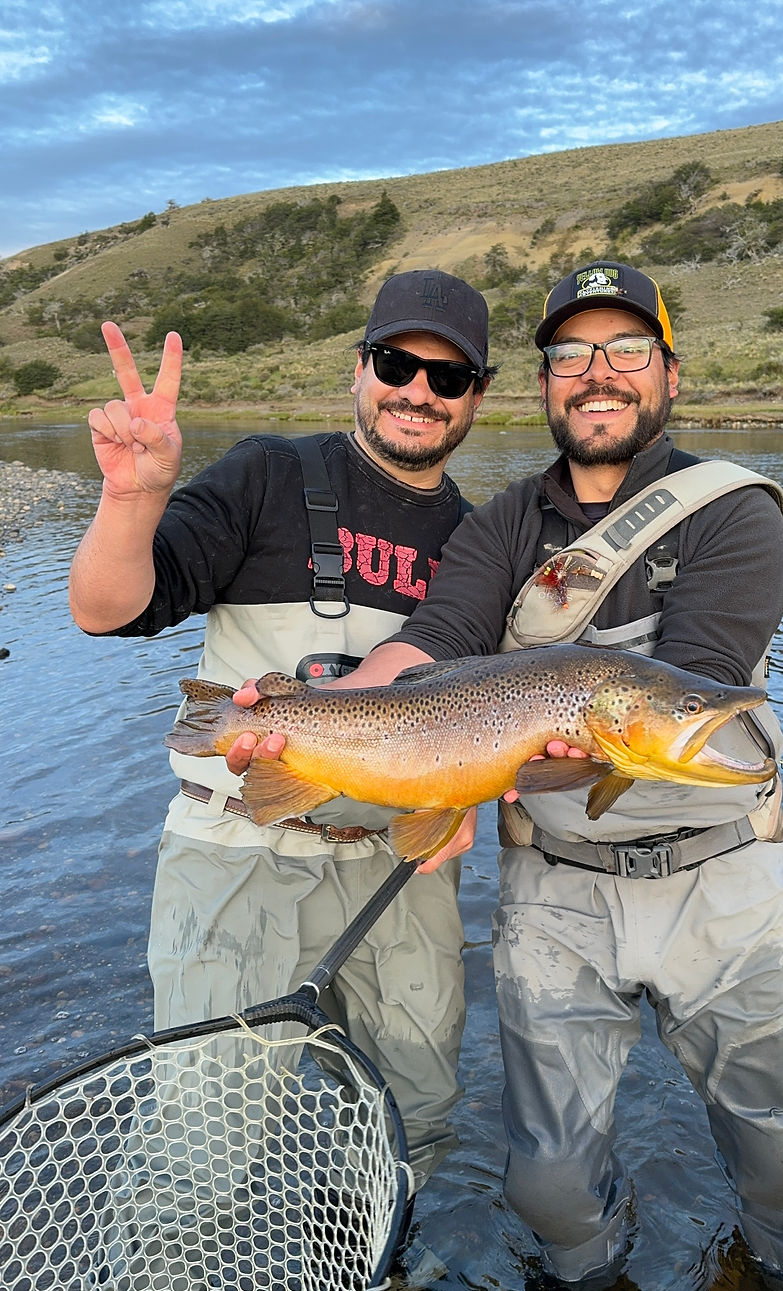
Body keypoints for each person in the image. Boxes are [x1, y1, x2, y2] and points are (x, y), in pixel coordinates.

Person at [270, 260, 783, 1291]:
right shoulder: (497, 528)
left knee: (781, 1156)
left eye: (625, 350)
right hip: (556, 886)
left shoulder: (731, 512)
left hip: (717, 877)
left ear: (669, 373)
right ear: (542, 383)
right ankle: (589, 1281)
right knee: (546, 1187)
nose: (597, 373)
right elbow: (431, 648)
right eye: (570, 353)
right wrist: (307, 719)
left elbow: (699, 678)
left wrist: (534, 747)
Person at [67, 269, 497, 1212]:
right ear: (360, 368)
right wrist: (134, 500)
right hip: (238, 847)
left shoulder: (481, 543)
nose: (418, 391)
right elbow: (105, 609)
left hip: (400, 871)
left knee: (413, 1122)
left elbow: (489, 724)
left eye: (448, 376)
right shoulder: (266, 474)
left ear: (477, 396)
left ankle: (379, 1272)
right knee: (203, 1150)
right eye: (397, 363)